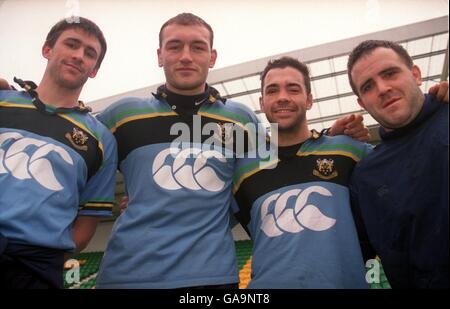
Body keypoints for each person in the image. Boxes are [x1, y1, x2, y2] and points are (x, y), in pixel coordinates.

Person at [95, 13, 368, 289]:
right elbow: (77, 152)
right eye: (175, 46)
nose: (186, 56)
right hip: (127, 275)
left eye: (198, 47)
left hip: (211, 277)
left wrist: (329, 137)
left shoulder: (240, 120)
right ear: (160, 55)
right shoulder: (124, 115)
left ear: (212, 57)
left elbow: (288, 153)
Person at [232, 56, 374, 288]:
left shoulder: (350, 151)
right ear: (262, 102)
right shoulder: (242, 170)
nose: (283, 97)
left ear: (309, 100)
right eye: (272, 90)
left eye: (293, 89)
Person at [0, 17, 117, 288]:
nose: (79, 55)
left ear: (94, 70)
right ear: (47, 49)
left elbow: (88, 222)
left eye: (90, 53)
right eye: (72, 44)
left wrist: (47, 255)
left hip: (35, 266)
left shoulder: (100, 139)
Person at [347, 40, 449, 288]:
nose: (382, 88)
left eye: (390, 73)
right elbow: (357, 256)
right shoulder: (365, 175)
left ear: (415, 74)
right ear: (362, 103)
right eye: (368, 86)